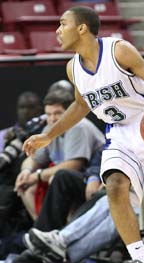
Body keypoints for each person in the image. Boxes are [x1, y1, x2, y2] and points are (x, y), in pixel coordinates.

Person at [22, 6, 144, 263]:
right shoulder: (73, 67)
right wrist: (48, 135)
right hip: (119, 133)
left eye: (63, 24)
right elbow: (80, 105)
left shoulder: (119, 51)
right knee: (114, 186)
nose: (57, 30)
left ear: (82, 28)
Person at [15, 88, 104, 221]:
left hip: (93, 177)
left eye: (57, 113)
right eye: (48, 114)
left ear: (70, 114)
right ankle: (40, 228)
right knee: (26, 187)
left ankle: (61, 229)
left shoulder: (78, 126)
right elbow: (34, 158)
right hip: (70, 177)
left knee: (57, 178)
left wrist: (37, 176)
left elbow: (73, 166)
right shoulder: (48, 129)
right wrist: (27, 171)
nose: (52, 119)